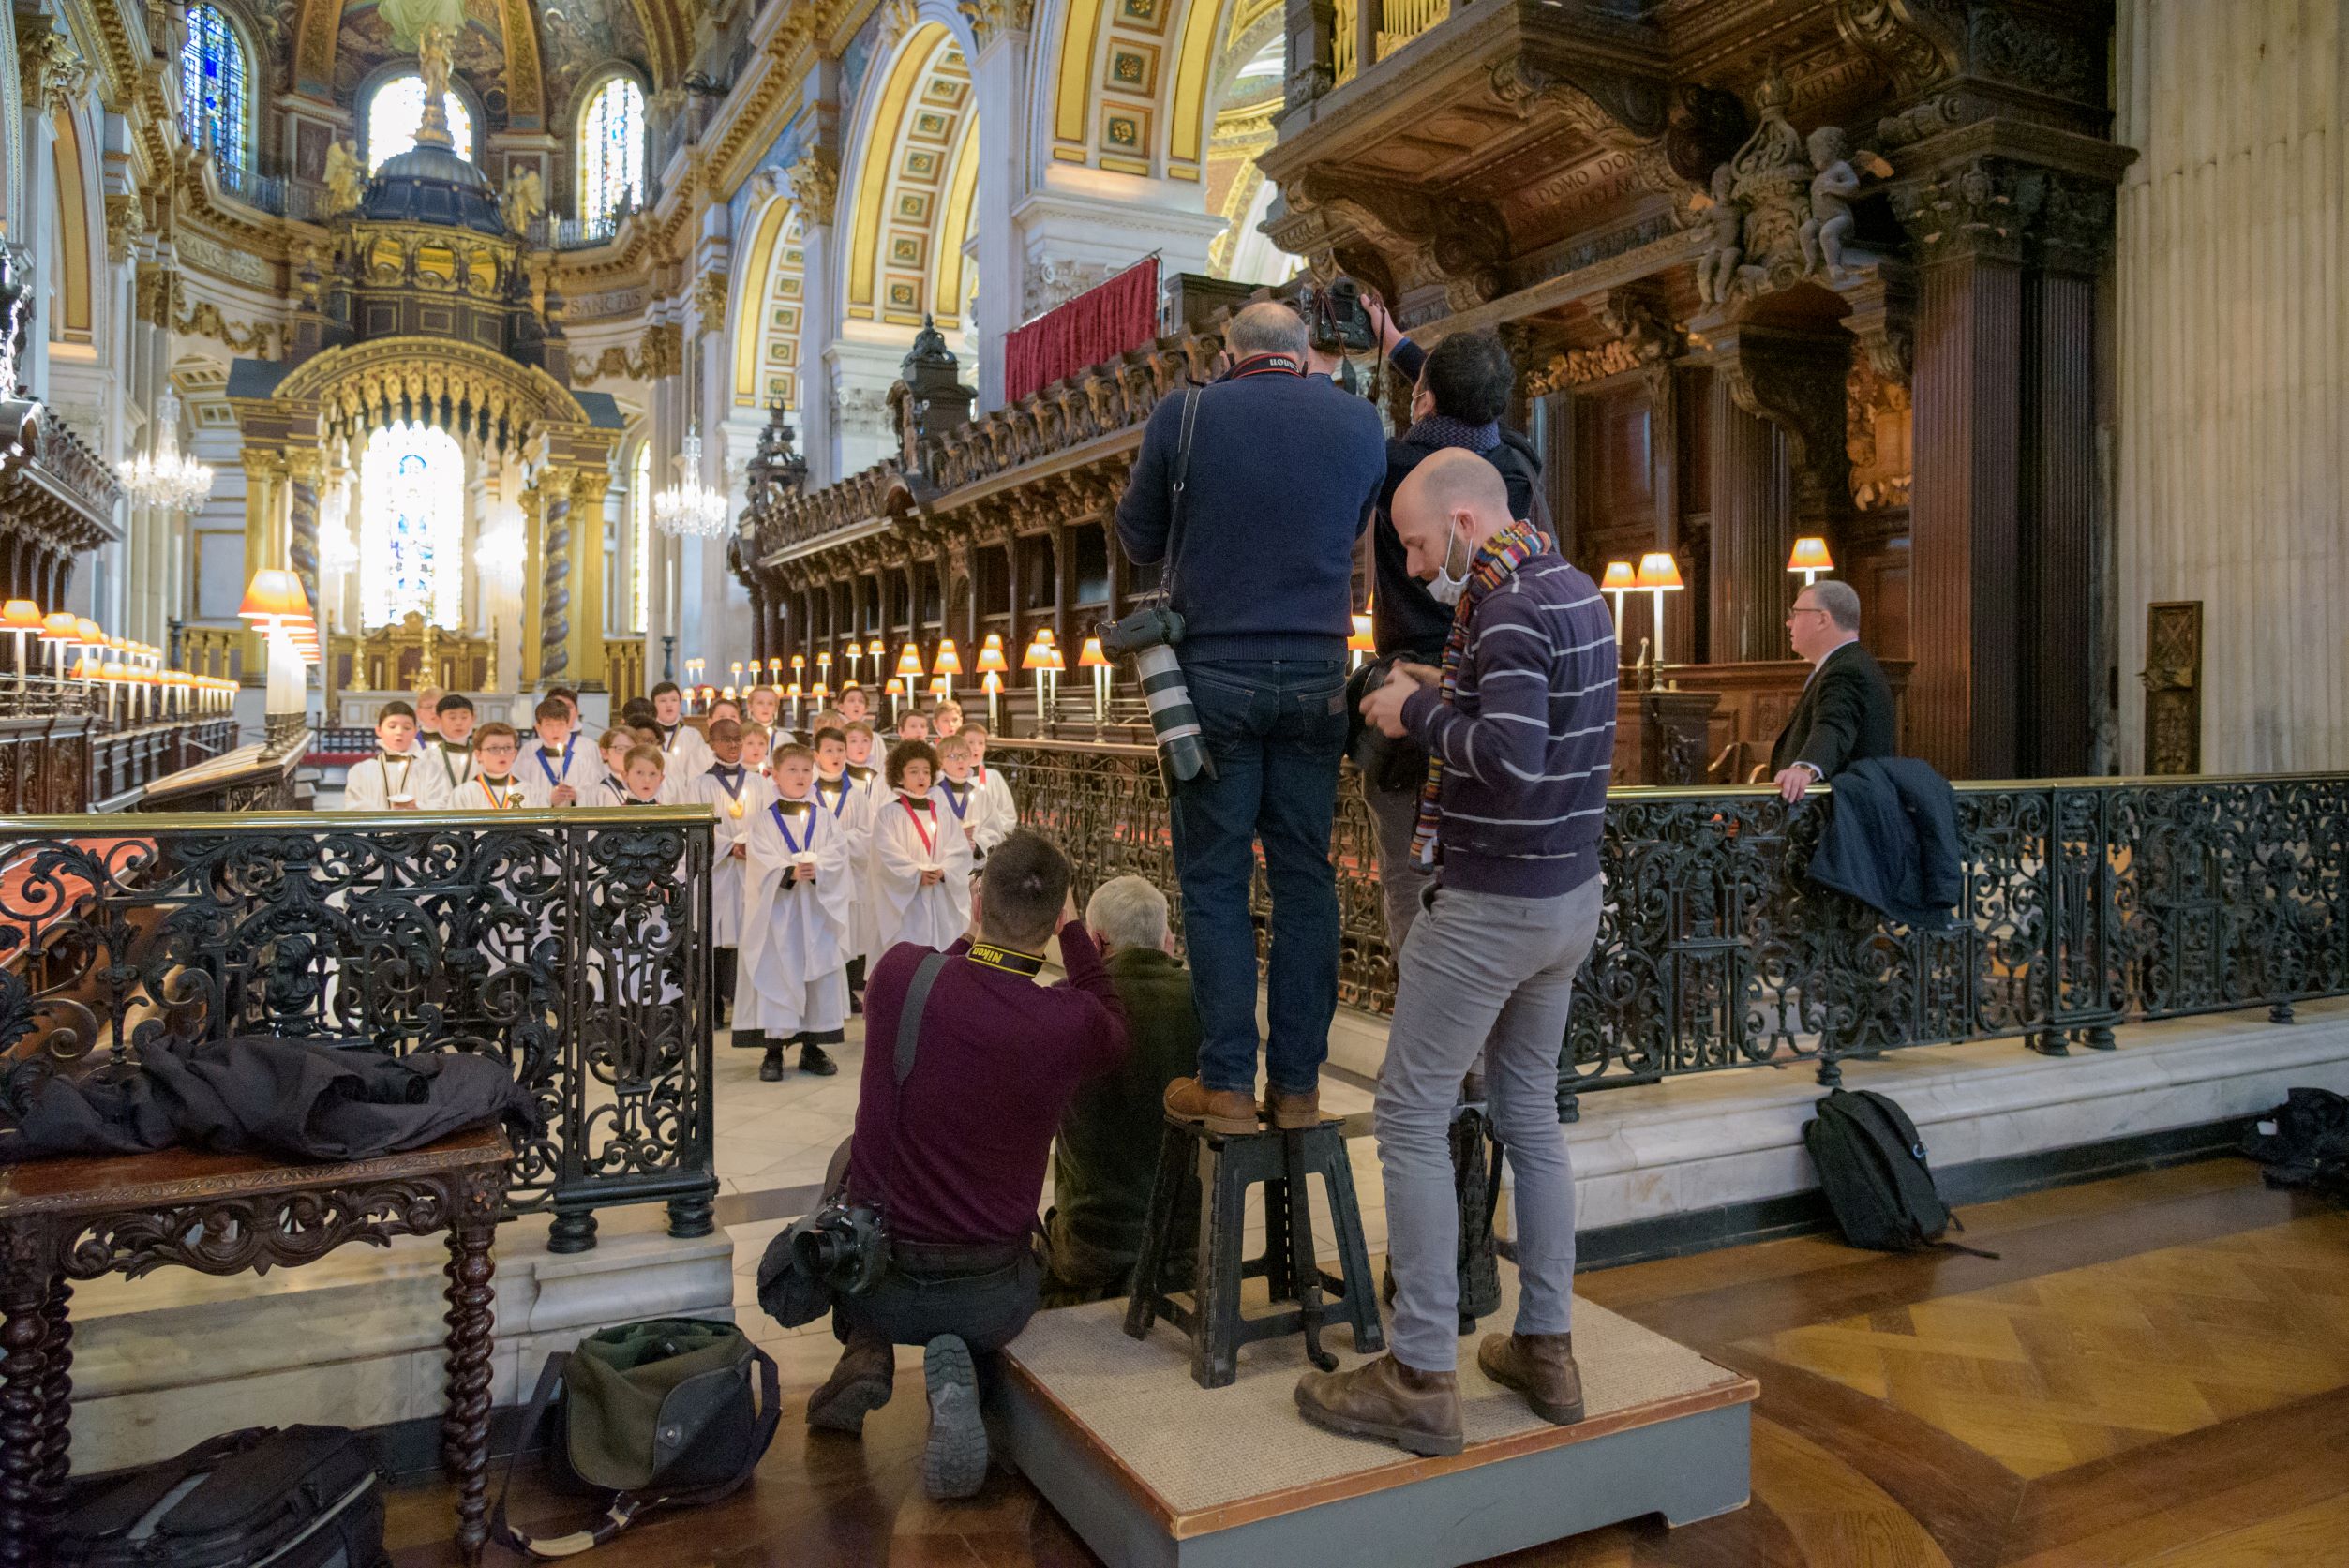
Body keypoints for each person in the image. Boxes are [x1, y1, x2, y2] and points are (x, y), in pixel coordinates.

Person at [1294, 451, 1615, 1457]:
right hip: (1567, 896)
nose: (1417, 564)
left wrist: (1411, 711)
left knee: (1409, 1110)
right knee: (1528, 1110)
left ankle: (1422, 1370)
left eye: (1420, 544)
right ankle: (1546, 1345)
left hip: (1492, 906)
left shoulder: (1507, 606)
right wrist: (1442, 677)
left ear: (1467, 517)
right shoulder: (1568, 586)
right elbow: (1533, 712)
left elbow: (1511, 756)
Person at [1114, 299, 1386, 1134]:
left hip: (1215, 675)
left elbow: (1138, 540)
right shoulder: (1360, 423)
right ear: (1305, 353)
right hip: (1317, 673)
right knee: (1309, 877)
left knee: (1216, 880)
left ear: (1228, 353)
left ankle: (1227, 1080)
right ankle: (1299, 1087)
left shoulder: (1186, 412)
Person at [807, 829, 1127, 1501]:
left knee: (848, 1160)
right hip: (994, 1292)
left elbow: (944, 972)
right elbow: (1112, 1020)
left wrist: (981, 930)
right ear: (1059, 917)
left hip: (880, 1276)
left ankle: (866, 1343)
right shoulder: (1064, 1021)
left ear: (978, 901)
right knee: (981, 1240)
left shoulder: (898, 974)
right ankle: (969, 1373)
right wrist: (1068, 935)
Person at [1360, 320, 1547, 951]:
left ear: (1425, 400)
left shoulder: (1393, 466)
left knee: (1411, 881)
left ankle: (1431, 1031)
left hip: (1411, 693)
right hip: (1502, 689)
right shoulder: (1513, 464)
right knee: (1484, 882)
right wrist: (1401, 349)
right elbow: (1467, 403)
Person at [1040, 875, 1202, 1307]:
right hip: (1182, 1248)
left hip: (1092, 1245)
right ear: (1167, 941)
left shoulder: (1066, 1004)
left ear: (1094, 941)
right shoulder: (1202, 1002)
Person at [738, 742, 849, 1081]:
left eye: (805, 769)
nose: (800, 776)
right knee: (780, 973)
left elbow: (837, 852)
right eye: (792, 770)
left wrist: (820, 869)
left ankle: (812, 1048)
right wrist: (786, 871)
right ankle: (773, 1050)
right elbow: (760, 859)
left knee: (816, 977)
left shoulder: (825, 817)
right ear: (774, 774)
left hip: (816, 911)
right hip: (780, 915)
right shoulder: (764, 820)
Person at [1771, 578, 1896, 803]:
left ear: (1822, 619)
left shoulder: (1847, 670)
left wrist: (1805, 768)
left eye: (1796, 613)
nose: (1789, 623)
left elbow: (1834, 725)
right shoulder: (1844, 664)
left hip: (1840, 818)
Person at [693, 718, 771, 1033]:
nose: (734, 745)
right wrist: (728, 847)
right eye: (726, 739)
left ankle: (745, 1006)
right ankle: (711, 1007)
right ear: (712, 742)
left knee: (747, 937)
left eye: (738, 739)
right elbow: (697, 828)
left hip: (750, 871)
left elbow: (769, 824)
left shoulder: (759, 783)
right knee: (713, 939)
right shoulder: (699, 784)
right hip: (718, 873)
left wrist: (752, 845)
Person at [868, 739, 975, 957]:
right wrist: (916, 874)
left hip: (939, 896)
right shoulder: (889, 814)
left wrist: (944, 871)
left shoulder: (943, 812)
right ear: (899, 776)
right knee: (910, 956)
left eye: (926, 772)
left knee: (940, 954)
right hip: (908, 902)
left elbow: (959, 851)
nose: (921, 777)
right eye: (914, 772)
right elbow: (886, 855)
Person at [343, 701, 438, 810]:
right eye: (392, 726)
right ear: (378, 730)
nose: (399, 732)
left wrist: (417, 808)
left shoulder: (430, 770)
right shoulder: (360, 771)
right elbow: (353, 807)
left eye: (406, 728)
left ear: (415, 731)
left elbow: (440, 805)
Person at [517, 697, 591, 808]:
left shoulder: (581, 760)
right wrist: (548, 800)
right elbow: (519, 794)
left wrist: (577, 796)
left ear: (568, 726)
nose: (555, 730)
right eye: (549, 725)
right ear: (538, 727)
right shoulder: (528, 761)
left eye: (560, 724)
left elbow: (594, 793)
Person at [958, 721, 1018, 854]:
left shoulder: (993, 777)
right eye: (971, 742)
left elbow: (1008, 815)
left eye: (981, 743)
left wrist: (985, 840)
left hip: (987, 847)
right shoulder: (952, 780)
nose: (976, 748)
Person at [649, 681, 712, 778]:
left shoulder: (693, 736)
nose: (669, 705)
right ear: (653, 705)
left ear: (680, 703)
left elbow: (700, 771)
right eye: (663, 701)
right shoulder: (647, 736)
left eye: (674, 700)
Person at [464, 724, 526, 810]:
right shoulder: (465, 793)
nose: (502, 754)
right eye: (494, 748)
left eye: (508, 747)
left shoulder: (529, 792)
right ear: (478, 754)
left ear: (515, 753)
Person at [427, 694, 478, 799]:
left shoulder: (480, 755)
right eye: (452, 717)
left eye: (464, 717)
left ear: (473, 718)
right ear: (438, 720)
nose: (459, 723)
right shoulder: (429, 756)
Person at [414, 686, 446, 751]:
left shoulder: (459, 739)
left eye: (440, 706)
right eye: (428, 707)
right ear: (418, 713)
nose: (434, 711)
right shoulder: (411, 740)